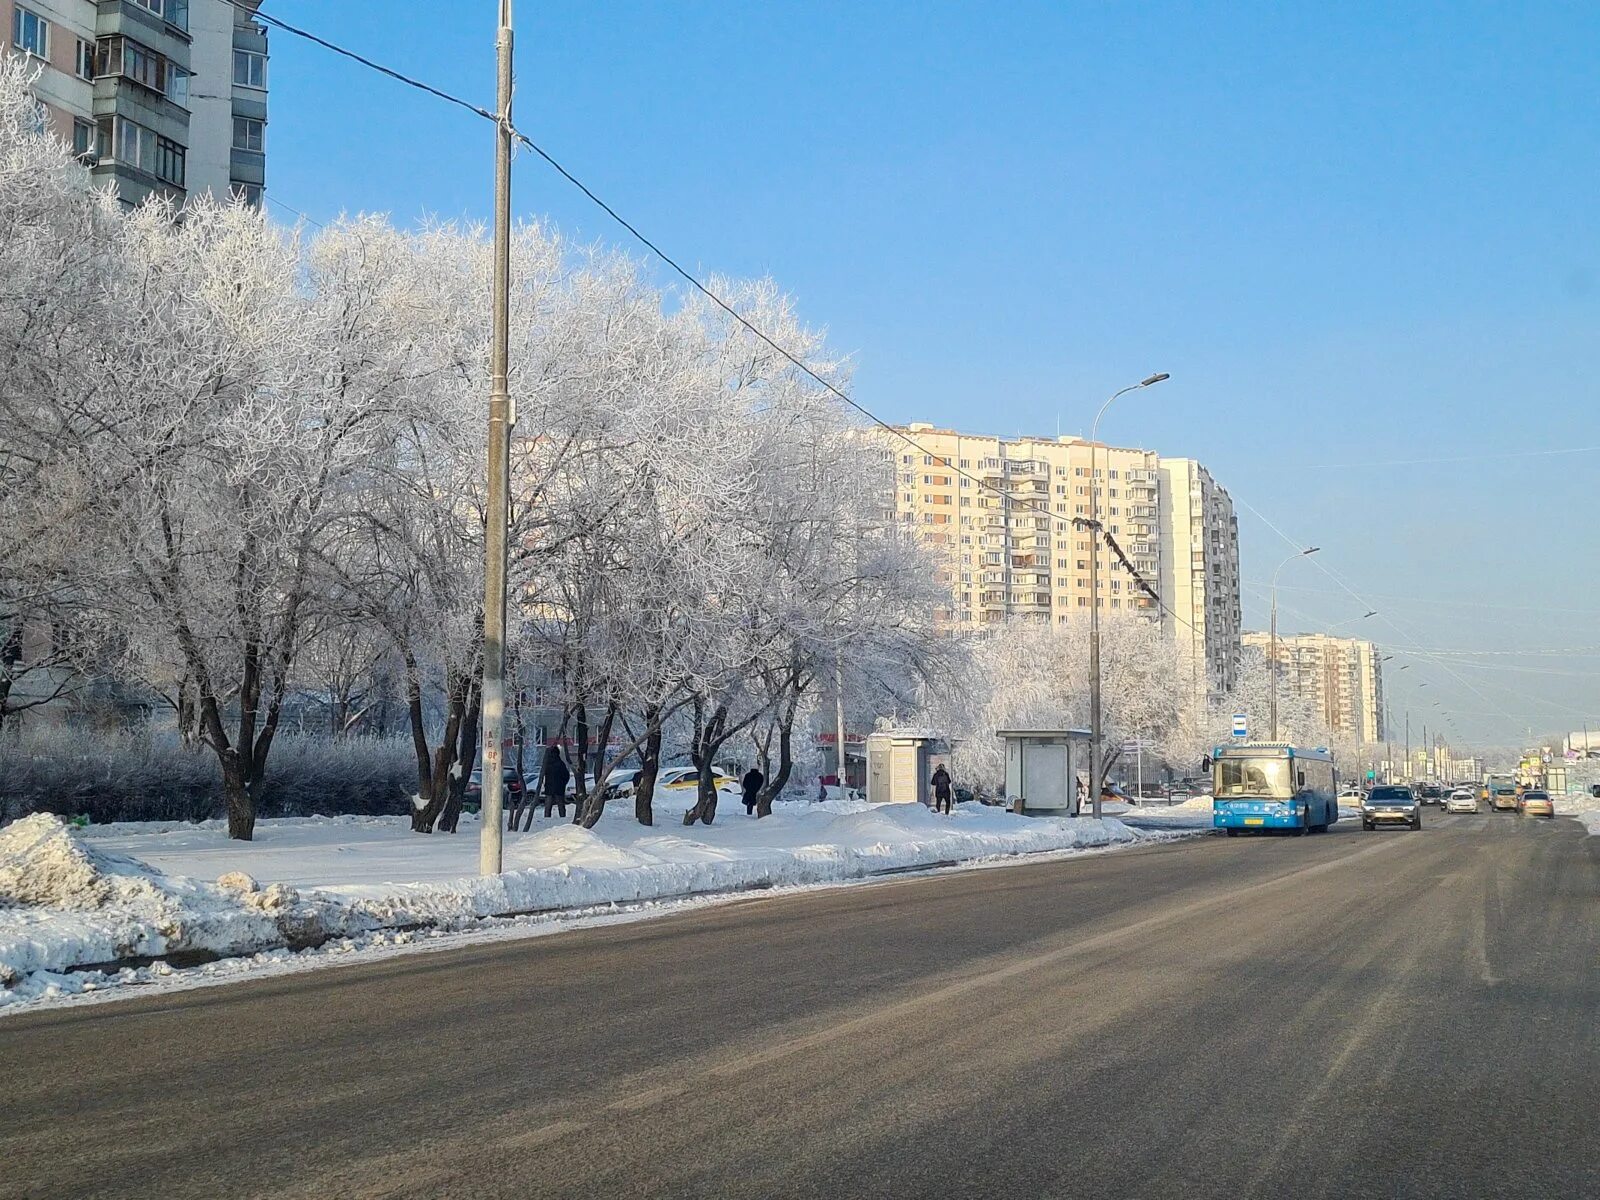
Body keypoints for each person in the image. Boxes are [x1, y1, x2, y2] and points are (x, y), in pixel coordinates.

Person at [540, 740, 571, 819]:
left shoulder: (547, 764)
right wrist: (563, 784)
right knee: (560, 804)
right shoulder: (560, 763)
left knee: (548, 805)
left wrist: (545, 784)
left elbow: (542, 775)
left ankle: (547, 818)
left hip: (549, 787)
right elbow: (566, 775)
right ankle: (562, 817)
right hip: (559, 788)